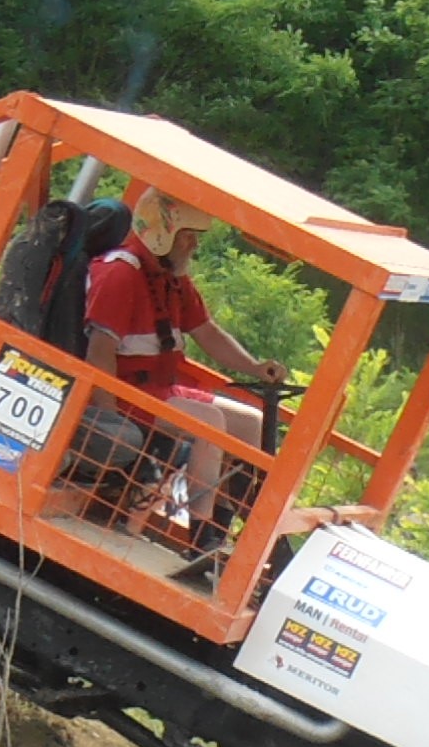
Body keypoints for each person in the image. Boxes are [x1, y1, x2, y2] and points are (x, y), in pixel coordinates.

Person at [83, 189, 286, 551]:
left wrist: (255, 367)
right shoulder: (121, 273)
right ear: (162, 234)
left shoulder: (171, 278)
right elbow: (99, 352)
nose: (194, 245)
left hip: (161, 389)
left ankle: (227, 525)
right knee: (209, 422)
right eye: (188, 236)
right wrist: (109, 418)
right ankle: (202, 537)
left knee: (250, 422)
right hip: (127, 391)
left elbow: (207, 332)